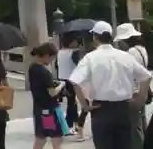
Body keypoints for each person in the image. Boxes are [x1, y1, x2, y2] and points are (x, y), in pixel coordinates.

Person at [69, 21, 152, 149]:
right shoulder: (125, 56)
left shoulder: (90, 58)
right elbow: (146, 76)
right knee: (126, 145)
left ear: (95, 37)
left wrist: (85, 105)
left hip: (101, 109)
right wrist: (139, 100)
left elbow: (75, 81)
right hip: (124, 108)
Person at [114, 23, 150, 149]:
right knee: (142, 121)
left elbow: (128, 72)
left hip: (134, 91)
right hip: (143, 90)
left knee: (135, 127)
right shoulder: (142, 49)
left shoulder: (131, 53)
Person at [28, 42, 69, 149]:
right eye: (52, 58)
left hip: (39, 109)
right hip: (49, 111)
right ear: (47, 55)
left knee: (40, 139)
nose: (52, 61)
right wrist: (61, 85)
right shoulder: (44, 72)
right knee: (56, 138)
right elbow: (52, 92)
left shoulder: (32, 68)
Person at [56, 34, 79, 134]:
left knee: (70, 102)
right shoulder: (74, 53)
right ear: (71, 42)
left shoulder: (59, 52)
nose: (77, 43)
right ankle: (70, 124)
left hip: (61, 79)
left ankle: (73, 123)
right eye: (75, 41)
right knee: (72, 103)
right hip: (71, 80)